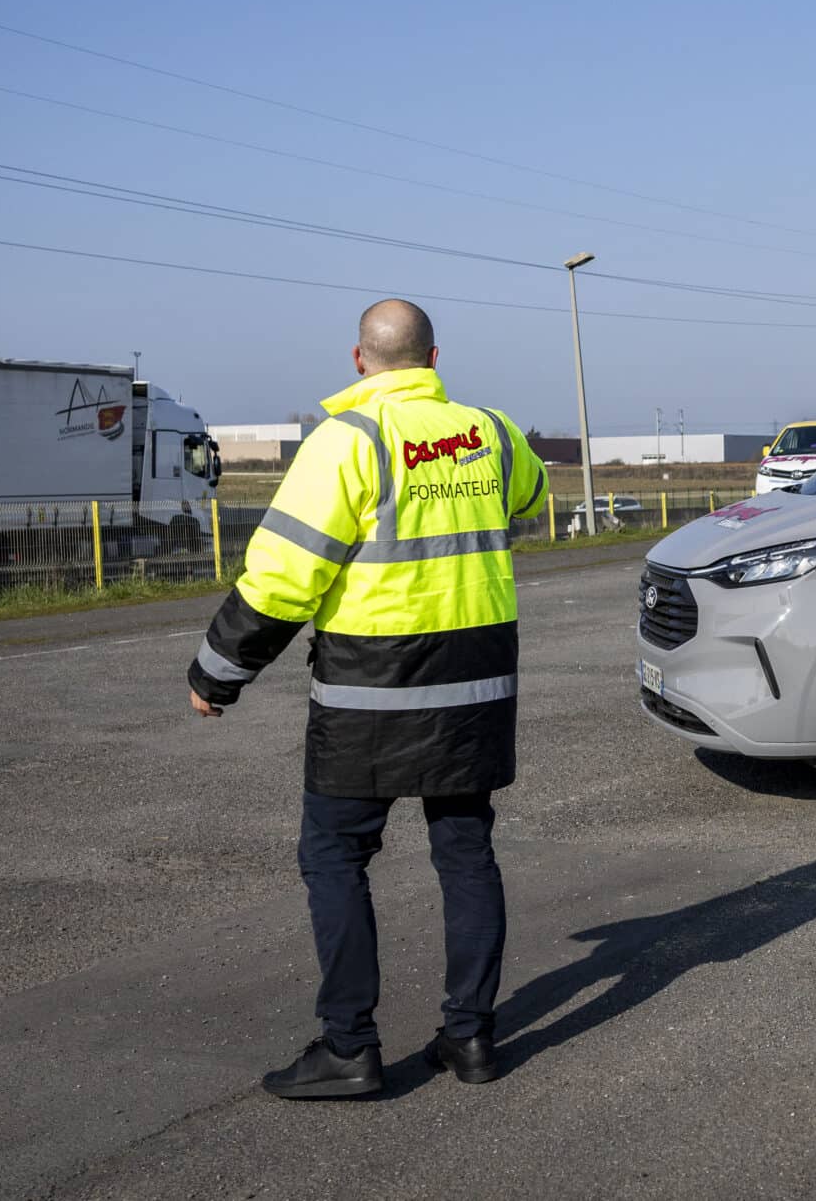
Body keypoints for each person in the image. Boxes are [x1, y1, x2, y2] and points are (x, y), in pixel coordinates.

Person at [186, 299, 548, 1099]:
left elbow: (285, 575)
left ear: (360, 360)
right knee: (465, 853)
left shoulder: (346, 442)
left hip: (371, 694)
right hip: (475, 686)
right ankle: (471, 1039)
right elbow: (532, 490)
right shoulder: (488, 430)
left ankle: (350, 1046)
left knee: (335, 857)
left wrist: (218, 672)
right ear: (433, 358)